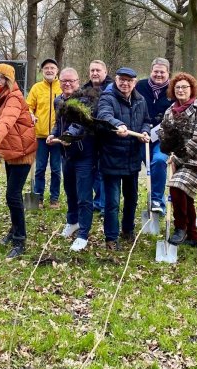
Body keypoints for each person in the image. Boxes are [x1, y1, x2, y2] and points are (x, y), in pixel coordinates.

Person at [0, 63, 37, 259]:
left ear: (9, 80)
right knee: (11, 194)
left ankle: (20, 239)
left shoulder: (13, 97)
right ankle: (13, 231)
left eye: (2, 78)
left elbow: (7, 120)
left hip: (22, 150)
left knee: (12, 195)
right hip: (10, 149)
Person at [96, 67, 150, 251]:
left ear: (134, 82)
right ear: (116, 80)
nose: (125, 83)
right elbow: (104, 116)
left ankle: (127, 230)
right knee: (112, 202)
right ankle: (111, 238)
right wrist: (118, 124)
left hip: (132, 158)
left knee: (131, 198)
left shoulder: (140, 100)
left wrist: (145, 131)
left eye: (129, 80)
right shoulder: (107, 97)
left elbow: (146, 120)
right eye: (122, 80)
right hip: (111, 158)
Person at [46, 67, 100, 252]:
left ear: (78, 81)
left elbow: (82, 123)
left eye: (71, 81)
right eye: (63, 81)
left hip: (84, 154)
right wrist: (54, 135)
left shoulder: (86, 100)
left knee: (84, 196)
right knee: (70, 191)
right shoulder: (58, 100)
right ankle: (73, 221)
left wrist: (69, 135)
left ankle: (83, 234)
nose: (67, 84)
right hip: (66, 154)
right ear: (58, 81)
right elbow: (58, 123)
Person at [158, 72, 197, 247]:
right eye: (178, 87)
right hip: (178, 159)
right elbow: (163, 132)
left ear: (192, 89)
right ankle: (193, 236)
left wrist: (179, 155)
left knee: (176, 186)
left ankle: (180, 227)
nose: (181, 90)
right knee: (185, 196)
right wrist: (168, 148)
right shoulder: (169, 112)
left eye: (185, 87)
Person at [135, 58, 172, 213]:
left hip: (162, 136)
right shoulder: (139, 86)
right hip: (139, 134)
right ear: (151, 71)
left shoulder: (173, 88)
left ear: (168, 73)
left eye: (162, 72)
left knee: (158, 161)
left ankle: (157, 201)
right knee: (131, 167)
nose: (158, 74)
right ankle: (132, 200)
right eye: (156, 71)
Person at [26, 58, 62, 208]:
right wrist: (31, 115)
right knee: (39, 168)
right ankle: (38, 198)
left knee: (56, 169)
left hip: (58, 137)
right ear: (42, 71)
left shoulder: (62, 87)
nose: (49, 70)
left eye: (52, 68)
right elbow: (28, 107)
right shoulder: (36, 88)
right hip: (40, 136)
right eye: (46, 68)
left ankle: (54, 198)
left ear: (57, 71)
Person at [82, 59, 113, 215]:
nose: (94, 73)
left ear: (105, 72)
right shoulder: (84, 89)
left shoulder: (112, 88)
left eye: (98, 70)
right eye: (92, 70)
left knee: (103, 170)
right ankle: (98, 199)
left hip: (106, 136)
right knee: (93, 170)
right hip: (89, 136)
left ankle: (103, 203)